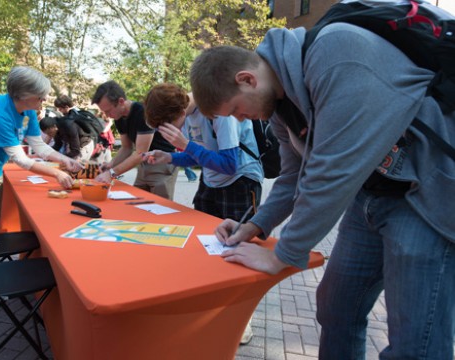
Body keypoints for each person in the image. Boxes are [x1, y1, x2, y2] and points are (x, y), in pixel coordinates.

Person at [189, 8, 455, 359]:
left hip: (424, 195)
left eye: (237, 110)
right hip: (368, 199)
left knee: (414, 344)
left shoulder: (337, 52)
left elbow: (333, 172)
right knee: (336, 311)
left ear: (247, 79)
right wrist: (255, 225)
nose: (241, 120)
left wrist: (282, 256)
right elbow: (292, 176)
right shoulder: (280, 106)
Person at [143, 83, 263, 344]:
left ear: (178, 112)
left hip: (240, 182)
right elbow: (201, 157)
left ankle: (242, 320)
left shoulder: (219, 112)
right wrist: (170, 157)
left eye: (168, 125)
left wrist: (185, 144)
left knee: (238, 250)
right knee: (204, 245)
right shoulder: (186, 118)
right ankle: (209, 310)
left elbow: (229, 165)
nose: (171, 131)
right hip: (211, 183)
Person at [0, 66, 83, 233]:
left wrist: (65, 159)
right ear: (23, 95)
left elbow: (38, 145)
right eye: (40, 97)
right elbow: (20, 159)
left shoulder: (28, 109)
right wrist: (57, 173)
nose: (44, 100)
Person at [92, 80, 178, 200]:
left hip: (162, 163)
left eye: (108, 110)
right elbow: (126, 148)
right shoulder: (119, 117)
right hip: (145, 163)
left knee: (161, 206)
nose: (107, 115)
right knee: (138, 204)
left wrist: (111, 173)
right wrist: (110, 165)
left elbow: (140, 153)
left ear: (121, 101)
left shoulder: (142, 113)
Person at [53, 94, 95, 162]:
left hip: (84, 145)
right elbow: (59, 144)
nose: (58, 111)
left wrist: (63, 158)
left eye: (60, 109)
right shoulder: (67, 117)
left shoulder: (72, 120)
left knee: (76, 168)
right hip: (76, 145)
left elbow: (75, 150)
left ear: (66, 107)